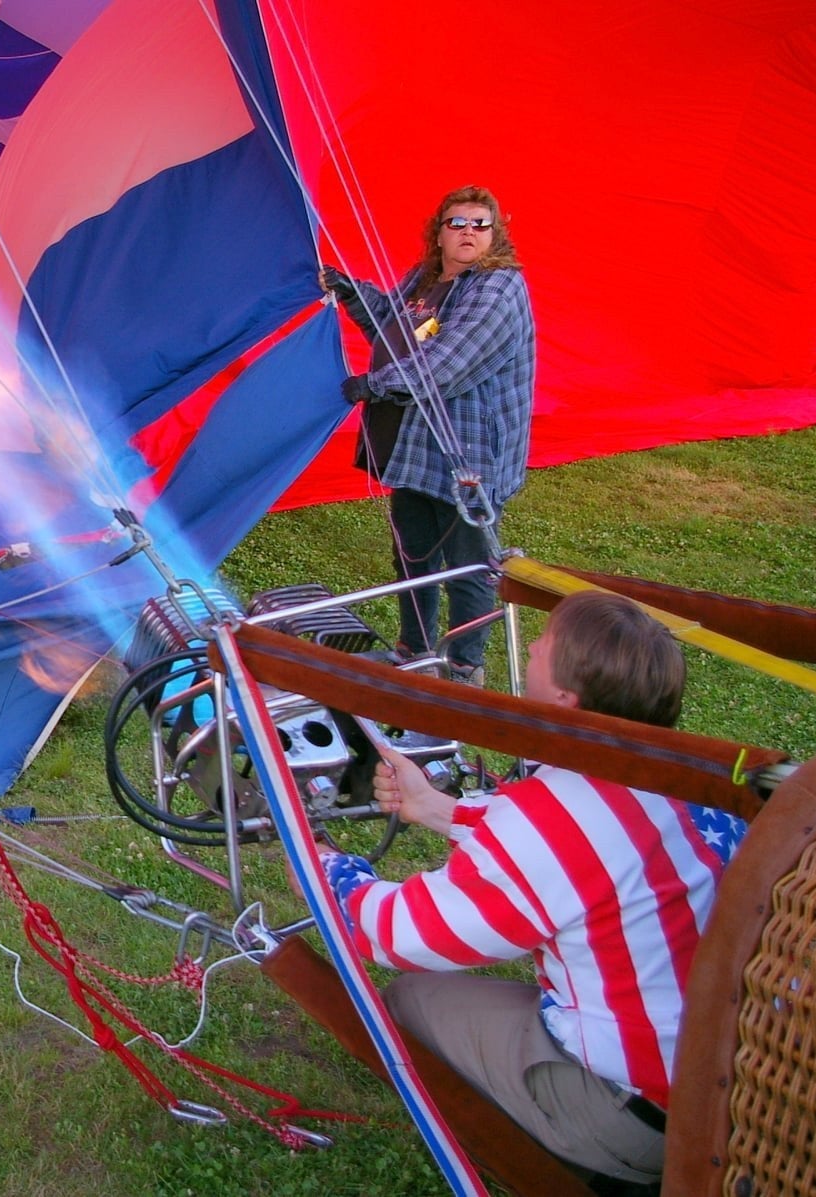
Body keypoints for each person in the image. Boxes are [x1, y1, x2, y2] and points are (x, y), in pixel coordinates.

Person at [317, 591, 745, 1190]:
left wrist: (327, 868)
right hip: (737, 1094)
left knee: (411, 1001)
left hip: (640, 1117)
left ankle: (560, 1165)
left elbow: (395, 934)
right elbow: (570, 846)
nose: (534, 647)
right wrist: (434, 807)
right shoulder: (693, 776)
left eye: (543, 646)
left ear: (565, 698)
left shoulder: (552, 820)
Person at [321, 185, 535, 685]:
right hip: (415, 446)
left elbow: (447, 365)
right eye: (456, 223)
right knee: (413, 555)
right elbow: (390, 330)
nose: (468, 232)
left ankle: (463, 668)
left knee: (468, 565)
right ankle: (415, 652)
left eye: (480, 224)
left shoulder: (498, 288)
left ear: (495, 233)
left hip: (469, 455)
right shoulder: (426, 278)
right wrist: (351, 291)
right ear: (438, 233)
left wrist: (372, 385)